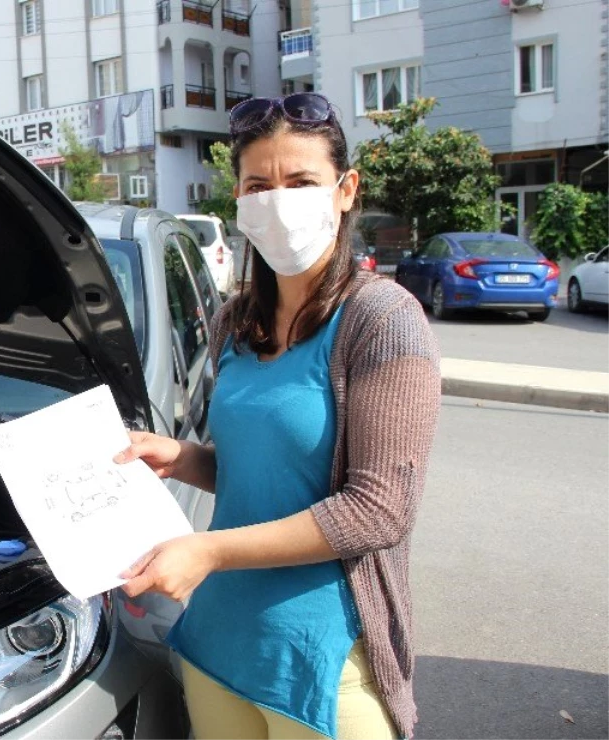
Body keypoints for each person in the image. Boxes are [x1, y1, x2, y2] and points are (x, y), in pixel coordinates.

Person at [114, 92, 441, 740]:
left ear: (346, 190)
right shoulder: (239, 322)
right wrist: (179, 458)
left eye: (301, 182)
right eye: (259, 184)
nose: (278, 200)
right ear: (237, 198)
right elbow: (257, 469)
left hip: (323, 663)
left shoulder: (383, 320)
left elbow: (379, 507)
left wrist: (206, 551)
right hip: (219, 648)